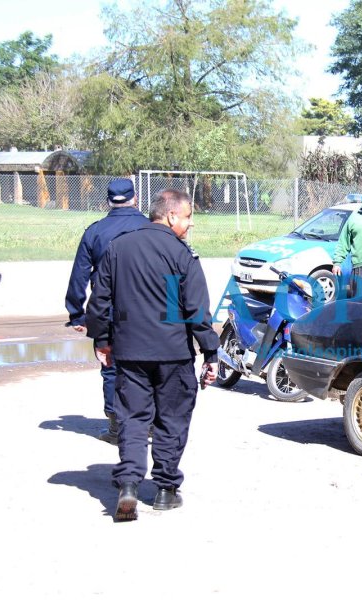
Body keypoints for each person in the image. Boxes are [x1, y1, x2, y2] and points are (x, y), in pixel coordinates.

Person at [86, 189, 219, 522]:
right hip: (173, 354)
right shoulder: (181, 254)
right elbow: (194, 309)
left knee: (133, 420)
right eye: (188, 217)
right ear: (171, 215)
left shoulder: (119, 248)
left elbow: (99, 300)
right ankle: (164, 490)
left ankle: (129, 484)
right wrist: (210, 352)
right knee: (171, 420)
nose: (190, 224)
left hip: (130, 352)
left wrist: (103, 339)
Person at [65, 178, 148, 444]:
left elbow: (79, 275)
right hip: (147, 311)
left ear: (108, 201)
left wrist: (77, 313)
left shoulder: (95, 231)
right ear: (135, 199)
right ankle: (148, 424)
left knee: (111, 366)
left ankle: (116, 427)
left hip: (109, 311)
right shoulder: (150, 228)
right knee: (148, 366)